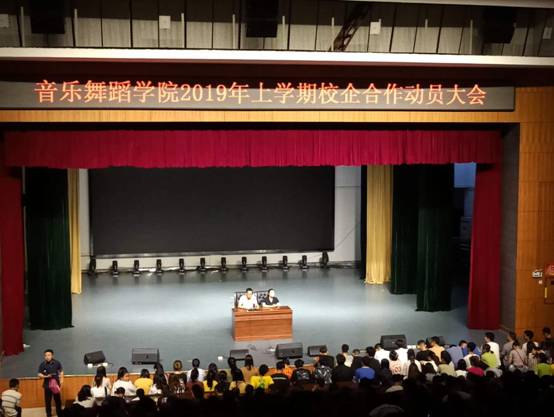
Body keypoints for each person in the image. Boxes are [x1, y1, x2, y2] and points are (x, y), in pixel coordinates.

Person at [37, 349, 64, 417]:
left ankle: (59, 413)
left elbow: (61, 371)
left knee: (57, 400)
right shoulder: (42, 364)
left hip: (56, 385)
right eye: (45, 355)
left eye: (49, 355)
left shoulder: (57, 363)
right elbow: (39, 374)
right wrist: (46, 376)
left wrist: (61, 380)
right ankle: (48, 414)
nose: (47, 357)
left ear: (52, 355)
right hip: (47, 385)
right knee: (47, 401)